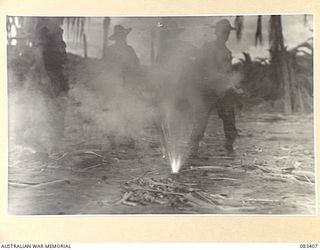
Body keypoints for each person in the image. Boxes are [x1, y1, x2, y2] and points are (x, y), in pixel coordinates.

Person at [188, 19, 243, 157]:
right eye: (223, 32)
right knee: (200, 120)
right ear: (216, 32)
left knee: (230, 118)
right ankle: (192, 150)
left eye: (227, 32)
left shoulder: (227, 52)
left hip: (223, 91)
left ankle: (230, 148)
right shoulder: (207, 48)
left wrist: (233, 85)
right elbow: (200, 67)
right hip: (207, 90)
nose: (225, 35)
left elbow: (228, 72)